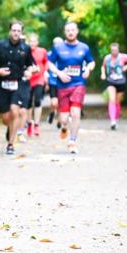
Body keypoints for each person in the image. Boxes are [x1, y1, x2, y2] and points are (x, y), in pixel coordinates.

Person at [46, 22, 94, 154]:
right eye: (68, 30)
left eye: (73, 30)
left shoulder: (84, 47)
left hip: (78, 84)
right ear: (64, 32)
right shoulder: (58, 48)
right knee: (63, 118)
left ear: (77, 31)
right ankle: (64, 127)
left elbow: (91, 61)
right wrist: (59, 73)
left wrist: (89, 69)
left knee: (75, 112)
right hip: (62, 87)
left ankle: (72, 141)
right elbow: (49, 63)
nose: (70, 32)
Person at [0, 20, 35, 155]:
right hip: (2, 84)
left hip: (18, 83)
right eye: (14, 30)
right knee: (6, 118)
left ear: (21, 33)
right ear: (10, 31)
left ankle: (10, 144)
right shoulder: (1, 45)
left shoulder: (25, 48)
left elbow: (30, 64)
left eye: (18, 31)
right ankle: (10, 128)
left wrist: (29, 71)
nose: (16, 33)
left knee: (15, 111)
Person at [100, 42, 127, 130]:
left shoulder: (123, 57)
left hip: (121, 82)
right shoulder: (107, 58)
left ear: (118, 50)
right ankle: (112, 121)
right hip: (111, 81)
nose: (114, 52)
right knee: (112, 99)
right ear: (110, 50)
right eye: (112, 50)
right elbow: (103, 66)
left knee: (117, 102)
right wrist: (103, 73)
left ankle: (116, 119)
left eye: (116, 50)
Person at [25, 32, 48, 137]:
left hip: (39, 79)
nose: (32, 43)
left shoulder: (42, 51)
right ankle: (30, 123)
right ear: (27, 42)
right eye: (30, 41)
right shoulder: (25, 51)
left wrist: (46, 72)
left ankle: (37, 124)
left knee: (38, 100)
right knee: (28, 102)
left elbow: (46, 62)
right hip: (28, 80)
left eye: (34, 41)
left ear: (37, 42)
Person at [47, 36, 63, 127]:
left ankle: (60, 120)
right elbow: (45, 65)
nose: (58, 45)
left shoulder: (65, 53)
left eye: (59, 43)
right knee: (54, 102)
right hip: (52, 81)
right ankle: (52, 112)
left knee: (61, 102)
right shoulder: (49, 54)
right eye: (56, 43)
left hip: (62, 81)